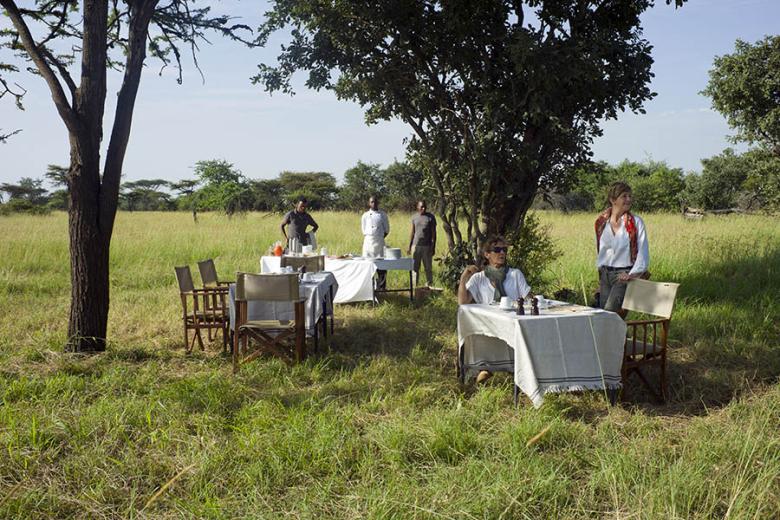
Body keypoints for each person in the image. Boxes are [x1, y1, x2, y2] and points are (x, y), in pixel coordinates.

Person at [458, 235, 532, 383]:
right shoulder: (479, 278)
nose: (502, 253)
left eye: (504, 250)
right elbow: (463, 302)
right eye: (497, 249)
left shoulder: (515, 274)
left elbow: (529, 297)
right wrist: (464, 277)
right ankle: (486, 368)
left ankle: (518, 370)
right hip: (490, 324)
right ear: (487, 254)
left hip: (512, 322)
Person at [594, 181, 649, 316]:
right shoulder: (601, 222)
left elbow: (643, 252)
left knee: (609, 314)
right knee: (603, 316)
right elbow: (601, 251)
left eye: (630, 196)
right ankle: (620, 337)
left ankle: (619, 337)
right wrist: (601, 273)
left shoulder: (636, 222)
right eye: (624, 196)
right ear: (613, 200)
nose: (629, 199)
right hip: (605, 274)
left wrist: (631, 274)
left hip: (624, 275)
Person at [361, 195, 390, 290]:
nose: (374, 204)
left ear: (378, 203)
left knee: (381, 266)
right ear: (369, 203)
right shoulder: (365, 215)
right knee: (368, 265)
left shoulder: (383, 215)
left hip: (379, 243)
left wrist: (379, 237)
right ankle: (369, 288)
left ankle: (382, 287)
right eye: (372, 202)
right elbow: (363, 230)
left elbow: (386, 230)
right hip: (368, 243)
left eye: (376, 202)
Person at [407, 200, 437, 287]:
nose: (423, 208)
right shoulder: (414, 217)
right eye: (422, 207)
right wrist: (409, 246)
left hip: (427, 246)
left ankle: (429, 285)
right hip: (416, 246)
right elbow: (412, 232)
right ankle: (414, 286)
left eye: (425, 207)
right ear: (417, 207)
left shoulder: (430, 217)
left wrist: (433, 246)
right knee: (415, 268)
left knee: (428, 268)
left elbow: (434, 233)